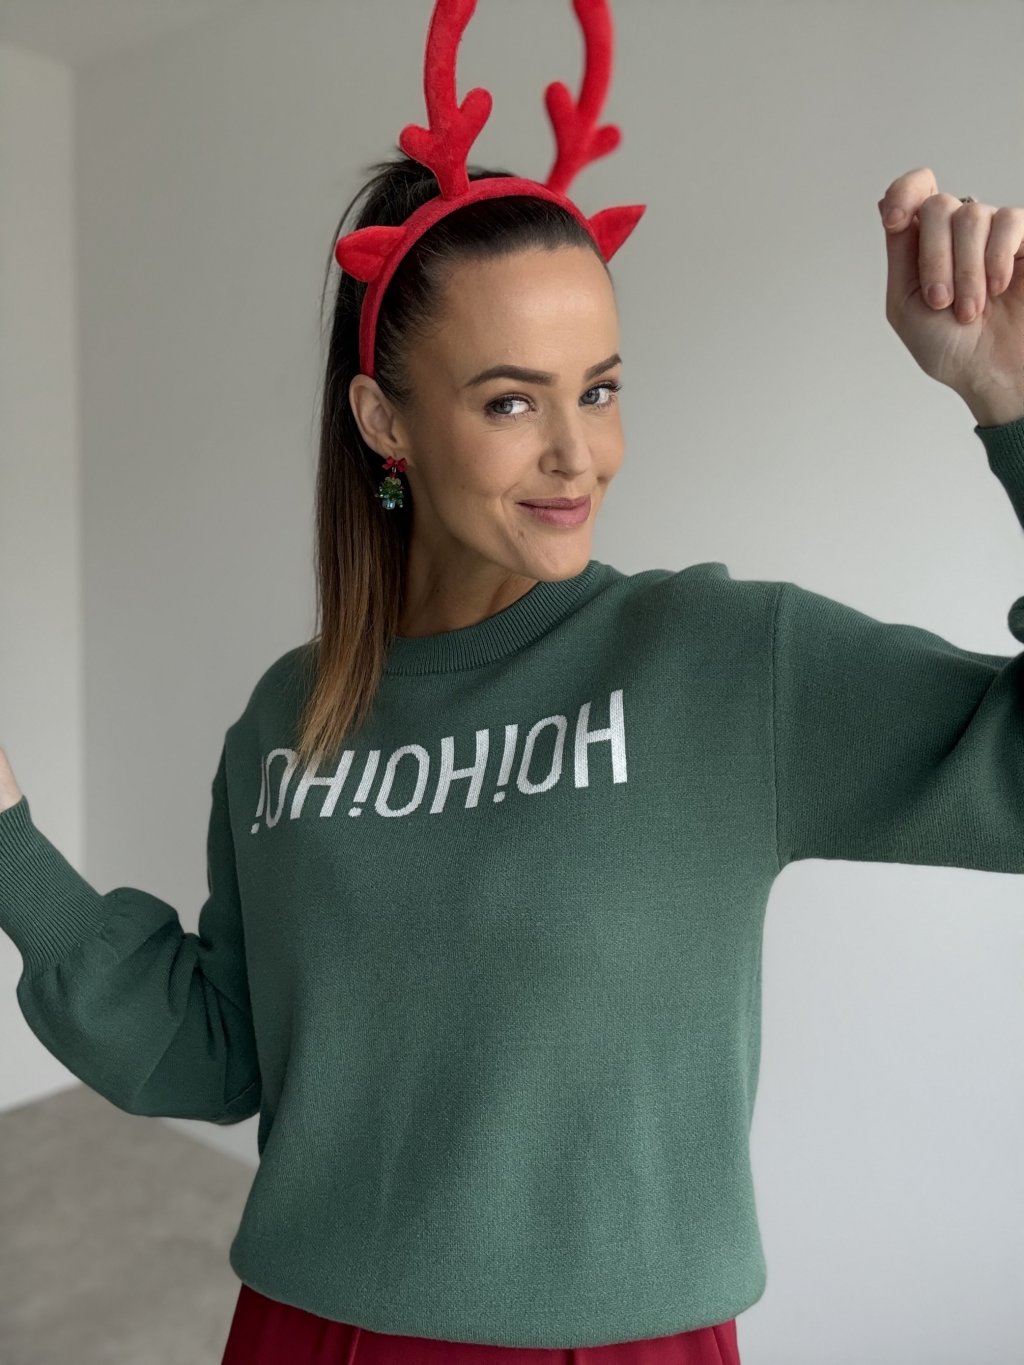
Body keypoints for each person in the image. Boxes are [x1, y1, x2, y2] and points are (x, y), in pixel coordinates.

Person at [3, 0, 1024, 1360]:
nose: (576, 453)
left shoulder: (723, 663)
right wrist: (7, 842)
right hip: (309, 1333)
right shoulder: (288, 722)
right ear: (385, 420)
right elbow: (221, 1050)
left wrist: (1015, 405)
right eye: (509, 400)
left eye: (597, 388)